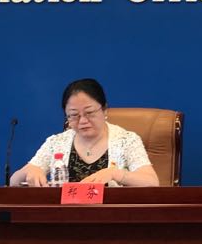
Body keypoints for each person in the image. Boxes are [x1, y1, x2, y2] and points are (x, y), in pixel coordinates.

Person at [11, 78, 160, 186]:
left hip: (112, 216)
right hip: (65, 216)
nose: (82, 121)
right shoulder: (56, 143)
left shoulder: (127, 140)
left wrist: (115, 174)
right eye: (74, 115)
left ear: (104, 109)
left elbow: (152, 182)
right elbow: (14, 181)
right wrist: (31, 171)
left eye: (89, 113)